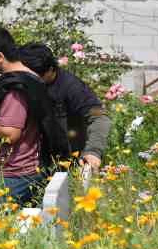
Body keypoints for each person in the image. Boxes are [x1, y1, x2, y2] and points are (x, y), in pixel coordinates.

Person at [0, 26, 66, 206]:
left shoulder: (16, 87)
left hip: (9, 174)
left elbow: (10, 134)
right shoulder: (31, 79)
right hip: (22, 170)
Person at [19, 43, 110, 171]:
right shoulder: (23, 81)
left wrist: (93, 152)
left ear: (50, 69)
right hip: (34, 161)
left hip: (69, 161)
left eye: (36, 76)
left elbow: (100, 117)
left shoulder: (73, 88)